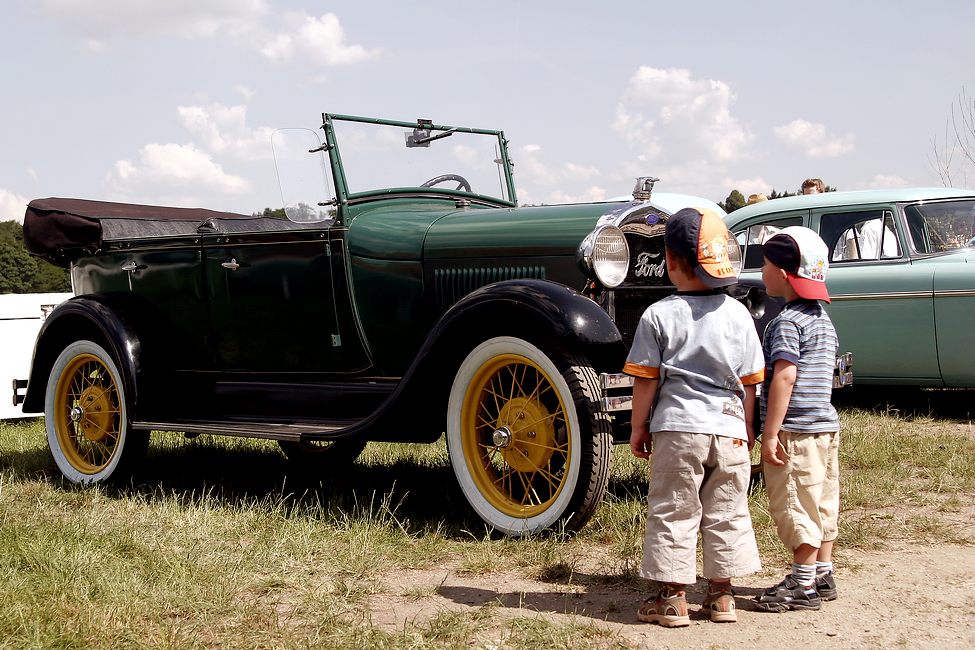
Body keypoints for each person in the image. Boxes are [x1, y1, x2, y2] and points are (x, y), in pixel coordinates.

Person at [625, 207, 765, 627]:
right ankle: (722, 597)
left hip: (678, 429)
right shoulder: (739, 314)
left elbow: (646, 380)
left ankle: (673, 599)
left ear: (669, 261)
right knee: (728, 509)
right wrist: (748, 428)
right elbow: (751, 381)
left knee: (674, 508)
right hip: (728, 428)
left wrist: (638, 426)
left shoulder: (659, 314)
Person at [754, 226, 840, 613]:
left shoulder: (787, 321)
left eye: (765, 264)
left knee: (794, 503)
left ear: (785, 274)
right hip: (824, 426)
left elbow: (784, 376)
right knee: (821, 501)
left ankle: (801, 584)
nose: (761, 272)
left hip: (797, 430)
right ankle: (823, 573)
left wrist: (770, 432)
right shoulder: (822, 319)